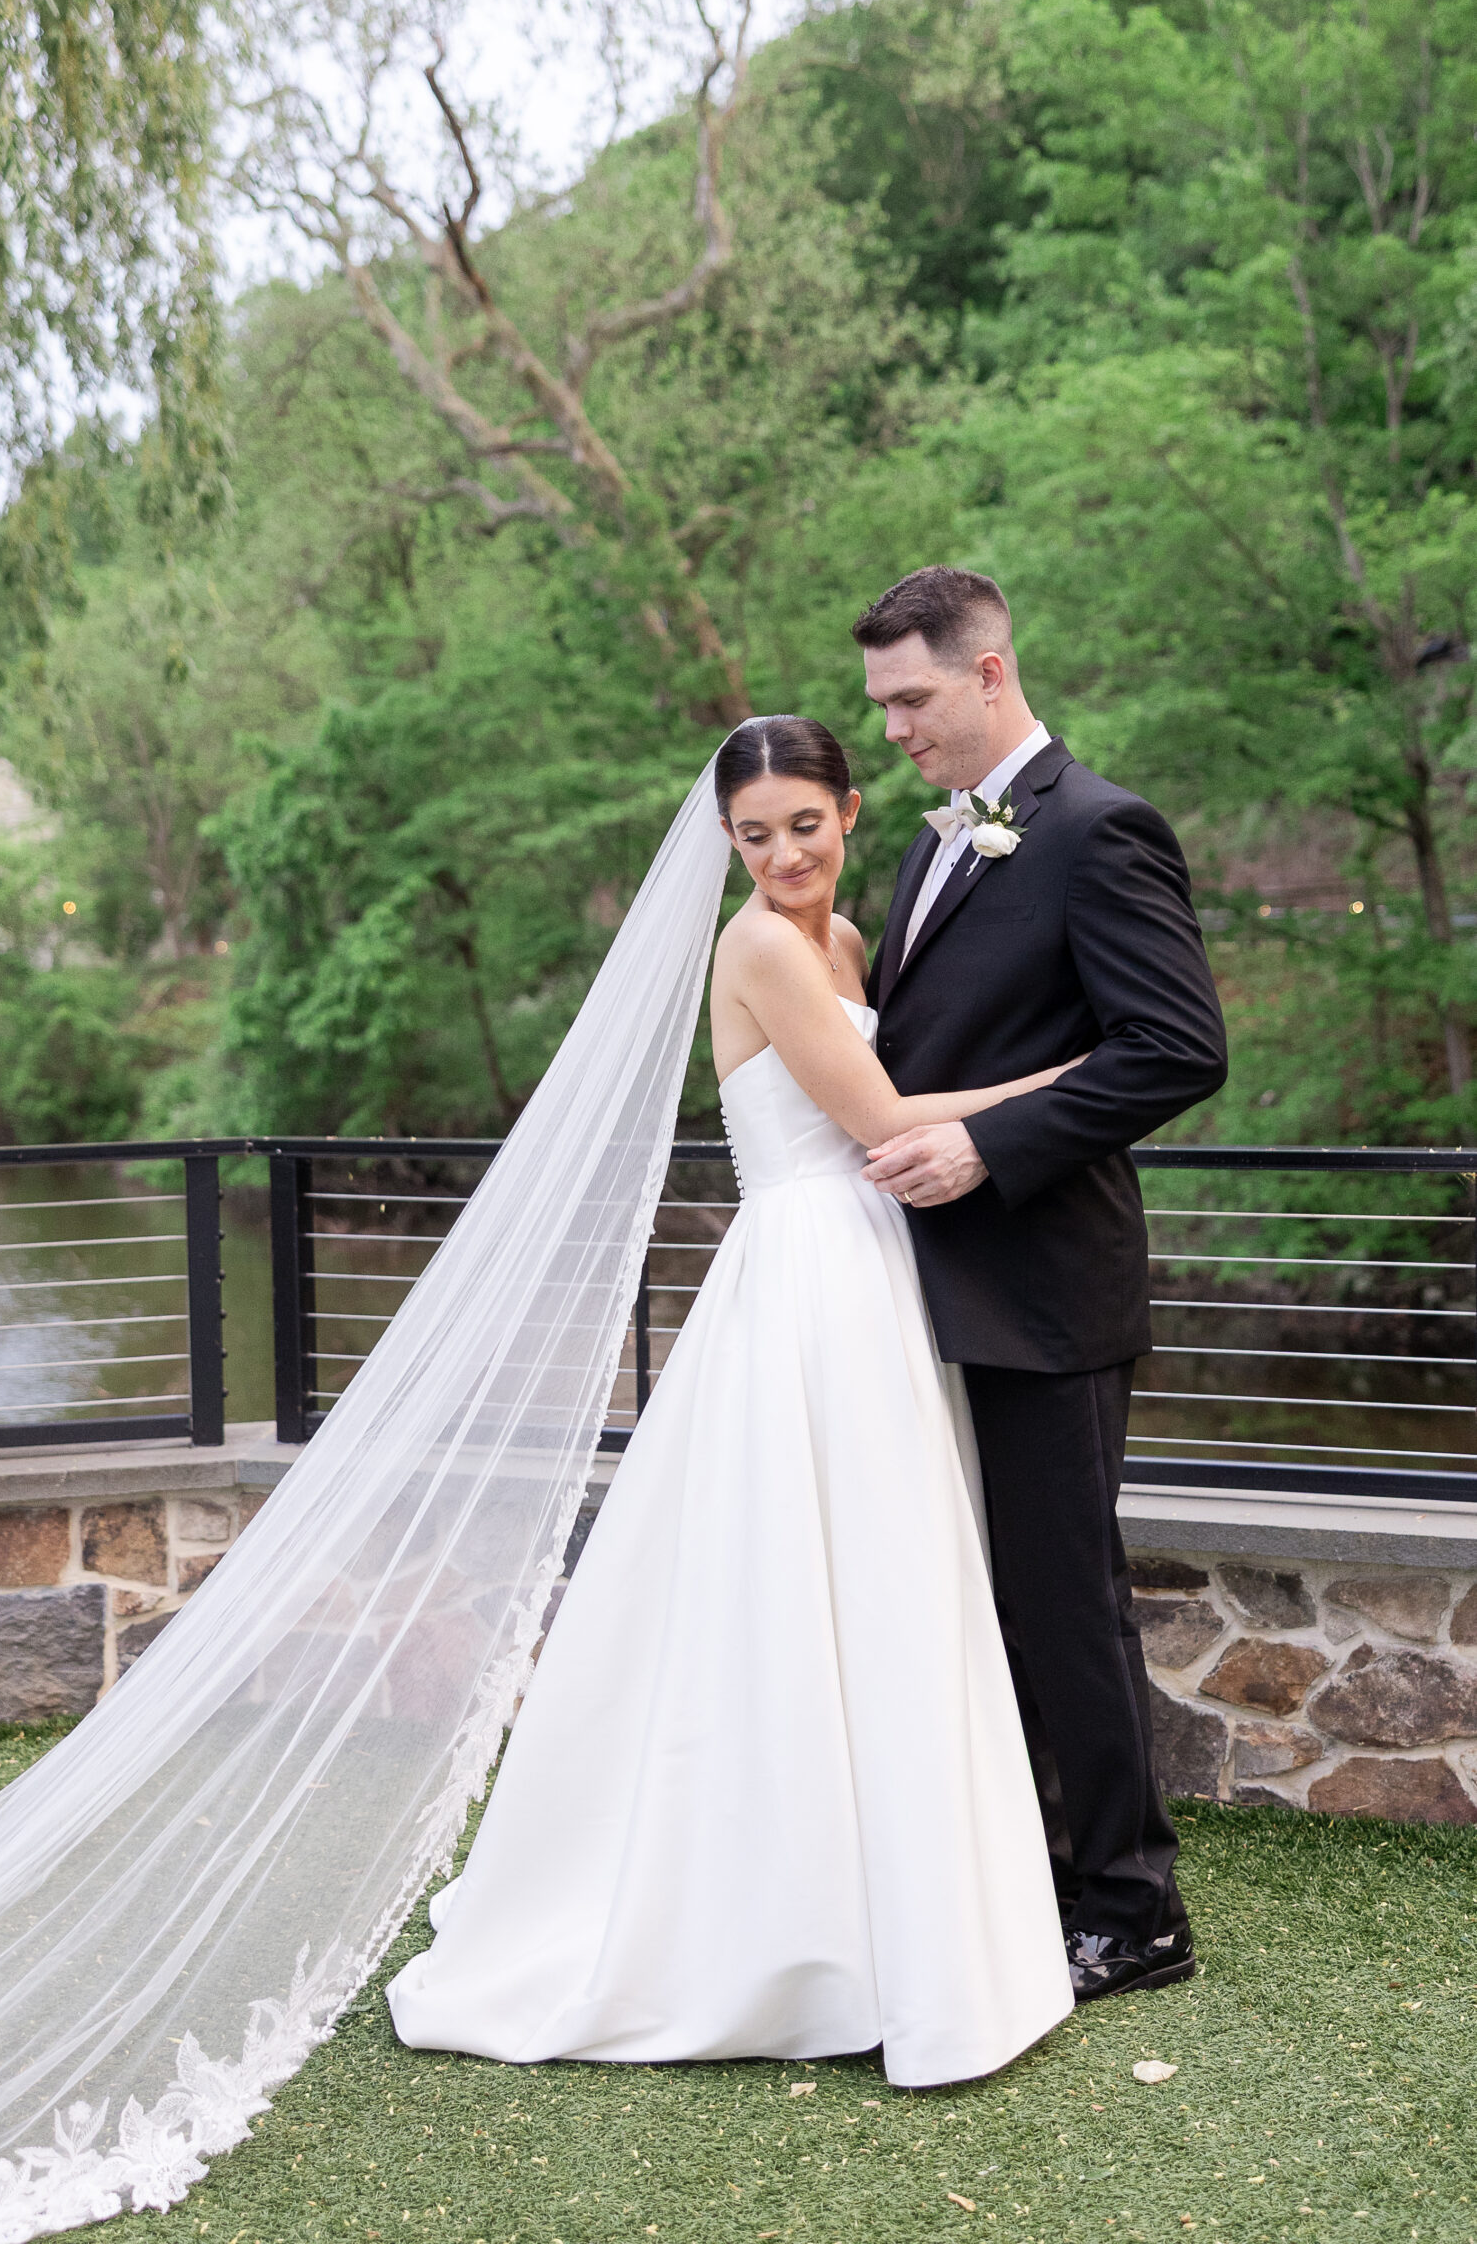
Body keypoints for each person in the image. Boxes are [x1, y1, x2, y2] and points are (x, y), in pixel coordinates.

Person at [388, 716, 1086, 2085]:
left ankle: (894, 1918)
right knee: (800, 1585)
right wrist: (1067, 1081)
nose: (782, 855)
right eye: (754, 836)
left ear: (850, 811)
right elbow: (881, 1122)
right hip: (811, 1276)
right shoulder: (763, 946)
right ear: (727, 843)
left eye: (804, 827)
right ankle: (778, 1929)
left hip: (874, 1274)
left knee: (883, 1587)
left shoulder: (843, 946)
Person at [853, 567, 1228, 2003]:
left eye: (913, 699)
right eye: (882, 702)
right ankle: (1022, 1872)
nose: (891, 729)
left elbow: (1177, 1048)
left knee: (1066, 1603)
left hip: (1052, 1286)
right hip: (930, 1289)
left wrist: (986, 1149)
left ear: (990, 671)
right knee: (982, 1597)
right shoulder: (934, 841)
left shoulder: (1099, 827)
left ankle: (1135, 1914)